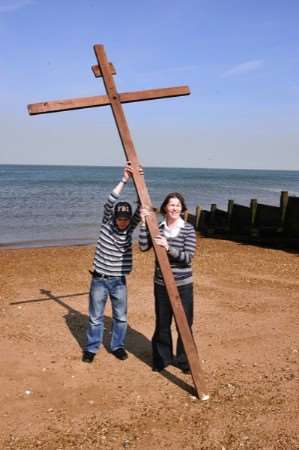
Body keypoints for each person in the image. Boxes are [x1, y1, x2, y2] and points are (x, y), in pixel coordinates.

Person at [82, 162, 142, 363]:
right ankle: (91, 348)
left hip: (119, 280)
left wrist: (140, 180)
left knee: (121, 317)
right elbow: (109, 201)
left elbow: (144, 204)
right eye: (120, 218)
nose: (123, 221)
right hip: (99, 278)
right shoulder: (106, 225)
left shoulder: (130, 228)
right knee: (95, 317)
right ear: (114, 217)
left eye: (126, 218)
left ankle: (117, 346)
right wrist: (124, 179)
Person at [139, 192, 196, 373]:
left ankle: (184, 361)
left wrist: (168, 247)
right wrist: (143, 223)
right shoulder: (158, 227)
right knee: (162, 323)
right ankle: (162, 360)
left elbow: (188, 257)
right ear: (165, 207)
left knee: (185, 324)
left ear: (182, 208)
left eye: (178, 205)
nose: (174, 208)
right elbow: (142, 246)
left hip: (183, 284)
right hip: (161, 284)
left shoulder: (187, 229)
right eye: (171, 205)